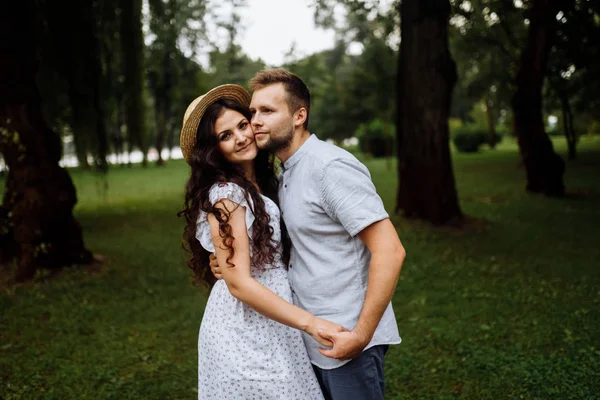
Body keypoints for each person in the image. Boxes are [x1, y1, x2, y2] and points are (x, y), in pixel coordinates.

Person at [211, 69, 406, 400]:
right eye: (253, 112)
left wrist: (361, 334)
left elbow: (390, 251)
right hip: (310, 338)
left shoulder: (329, 168)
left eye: (268, 111)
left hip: (345, 337)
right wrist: (229, 263)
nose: (255, 121)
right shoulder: (284, 172)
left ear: (300, 115)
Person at [178, 84, 345, 399]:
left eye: (242, 125)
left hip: (274, 318)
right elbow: (239, 283)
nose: (240, 137)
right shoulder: (227, 195)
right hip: (244, 327)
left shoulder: (264, 183)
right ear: (213, 150)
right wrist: (310, 323)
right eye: (225, 136)